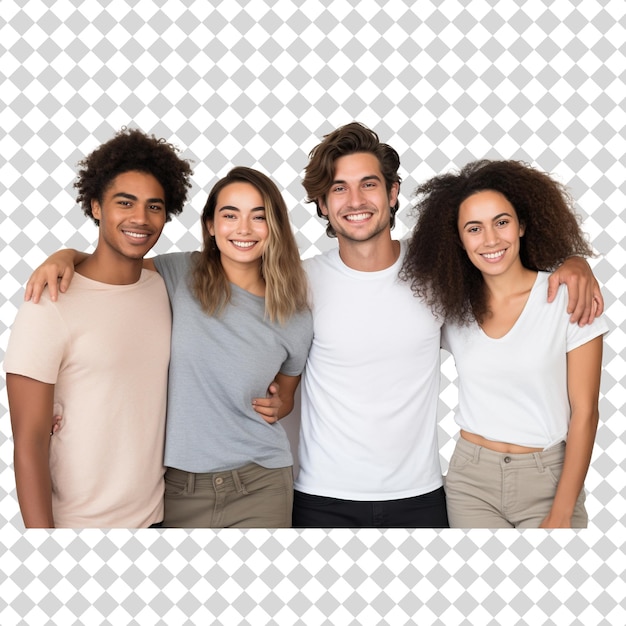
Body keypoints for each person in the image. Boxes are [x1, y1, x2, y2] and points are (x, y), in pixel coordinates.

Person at [292, 122, 604, 528]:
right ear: (321, 204)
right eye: (339, 188)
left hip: (420, 496)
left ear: (392, 192)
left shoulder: (436, 277)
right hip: (322, 496)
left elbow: (501, 266)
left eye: (369, 184)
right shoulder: (297, 281)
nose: (355, 200)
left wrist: (573, 262)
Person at [22, 167, 313, 528]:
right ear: (209, 224)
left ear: (276, 226)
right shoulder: (182, 273)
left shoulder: (295, 314)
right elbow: (115, 263)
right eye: (230, 215)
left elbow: (285, 397)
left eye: (259, 217)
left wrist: (280, 404)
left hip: (261, 483)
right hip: (176, 489)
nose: (243, 229)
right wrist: (65, 255)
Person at [400, 159, 608, 528]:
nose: (491, 240)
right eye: (474, 228)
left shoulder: (566, 296)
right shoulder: (451, 308)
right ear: (459, 240)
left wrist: (562, 510)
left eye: (502, 222)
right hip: (470, 481)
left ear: (522, 225)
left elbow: (586, 413)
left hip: (549, 479)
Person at [4, 127, 193, 527]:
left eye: (154, 206)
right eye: (125, 202)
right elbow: (29, 442)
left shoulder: (163, 288)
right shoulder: (49, 302)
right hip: (80, 526)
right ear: (95, 207)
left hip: (158, 520)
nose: (140, 218)